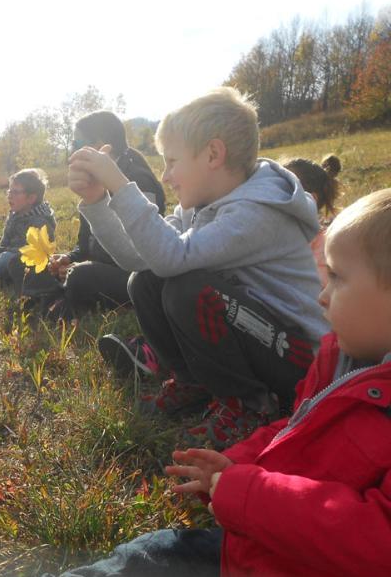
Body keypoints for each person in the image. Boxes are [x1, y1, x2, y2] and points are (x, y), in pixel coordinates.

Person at [0, 187, 391, 577]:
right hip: (279, 556)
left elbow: (378, 542)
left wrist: (246, 491)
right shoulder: (342, 357)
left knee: (152, 565)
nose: (322, 296)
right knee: (150, 558)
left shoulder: (258, 221)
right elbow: (294, 431)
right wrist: (239, 464)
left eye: (339, 279)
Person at [69, 88, 328, 446]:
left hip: (300, 361)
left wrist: (120, 184)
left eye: (172, 162)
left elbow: (171, 257)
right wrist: (98, 201)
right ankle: (194, 383)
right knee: (145, 280)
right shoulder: (201, 204)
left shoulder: (257, 212)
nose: (165, 176)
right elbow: (142, 258)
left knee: (186, 289)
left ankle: (251, 406)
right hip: (260, 339)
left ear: (213, 154)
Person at [48, 111, 166, 321]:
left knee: (80, 276)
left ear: (100, 144)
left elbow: (141, 253)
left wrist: (79, 267)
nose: (72, 152)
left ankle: (64, 300)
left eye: (77, 143)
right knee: (42, 266)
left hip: (134, 273)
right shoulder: (93, 179)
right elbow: (87, 244)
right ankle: (63, 292)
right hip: (102, 267)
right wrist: (69, 258)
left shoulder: (139, 179)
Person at [0, 169, 58, 299]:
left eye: (15, 192)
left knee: (5, 258)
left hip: (21, 264)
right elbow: (5, 243)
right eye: (9, 191)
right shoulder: (15, 214)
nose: (9, 195)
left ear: (31, 198)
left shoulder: (40, 221)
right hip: (3, 258)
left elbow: (31, 252)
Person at [284, 154, 341, 287]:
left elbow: (318, 289)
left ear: (308, 200)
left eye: (280, 189)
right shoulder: (270, 230)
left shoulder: (324, 247)